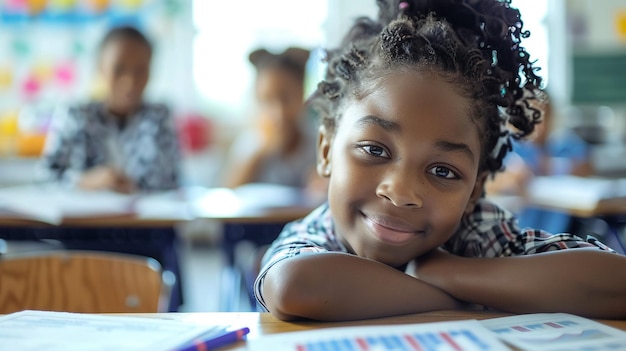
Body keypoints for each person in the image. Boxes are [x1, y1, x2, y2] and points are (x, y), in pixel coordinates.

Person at [254, 0, 626, 321]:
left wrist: (453, 271)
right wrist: (453, 291)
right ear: (326, 152)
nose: (401, 192)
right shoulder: (321, 232)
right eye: (375, 149)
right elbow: (293, 286)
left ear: (474, 191)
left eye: (443, 171)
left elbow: (616, 283)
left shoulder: (477, 232)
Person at [40, 26, 180, 193]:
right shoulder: (76, 115)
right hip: (84, 218)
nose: (129, 81)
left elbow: (172, 182)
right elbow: (45, 178)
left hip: (145, 219)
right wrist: (85, 181)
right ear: (101, 68)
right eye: (119, 69)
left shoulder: (159, 118)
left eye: (141, 70)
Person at [486, 94, 594, 233]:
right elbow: (485, 183)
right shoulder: (510, 145)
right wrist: (510, 178)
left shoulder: (563, 145)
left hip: (560, 234)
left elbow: (588, 166)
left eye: (545, 116)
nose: (540, 124)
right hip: (519, 232)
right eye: (533, 116)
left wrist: (555, 167)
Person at [223, 47, 318, 190]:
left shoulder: (318, 143)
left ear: (302, 96)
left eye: (286, 98)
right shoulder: (249, 144)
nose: (278, 113)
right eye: (267, 100)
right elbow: (229, 191)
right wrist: (260, 153)